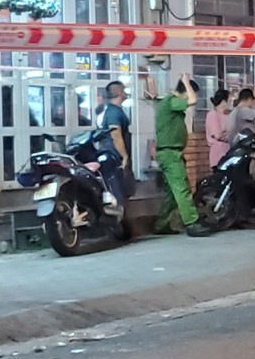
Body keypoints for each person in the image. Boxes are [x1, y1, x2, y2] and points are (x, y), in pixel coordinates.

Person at [144, 69, 210, 236]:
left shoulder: (169, 103)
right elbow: (193, 100)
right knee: (182, 189)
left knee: (172, 192)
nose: (189, 97)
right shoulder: (171, 101)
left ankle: (161, 224)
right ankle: (192, 223)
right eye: (188, 93)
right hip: (170, 154)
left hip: (171, 153)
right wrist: (186, 81)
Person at [97, 80, 133, 208]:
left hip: (113, 155)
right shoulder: (114, 113)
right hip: (114, 157)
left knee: (122, 191)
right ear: (119, 93)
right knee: (116, 191)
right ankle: (117, 221)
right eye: (124, 90)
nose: (126, 93)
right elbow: (116, 136)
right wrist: (124, 156)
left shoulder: (113, 110)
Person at [205, 87, 233, 168]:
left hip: (229, 151)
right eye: (230, 99)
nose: (231, 102)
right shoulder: (212, 114)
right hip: (219, 153)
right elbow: (218, 135)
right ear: (224, 101)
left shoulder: (227, 114)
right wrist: (231, 136)